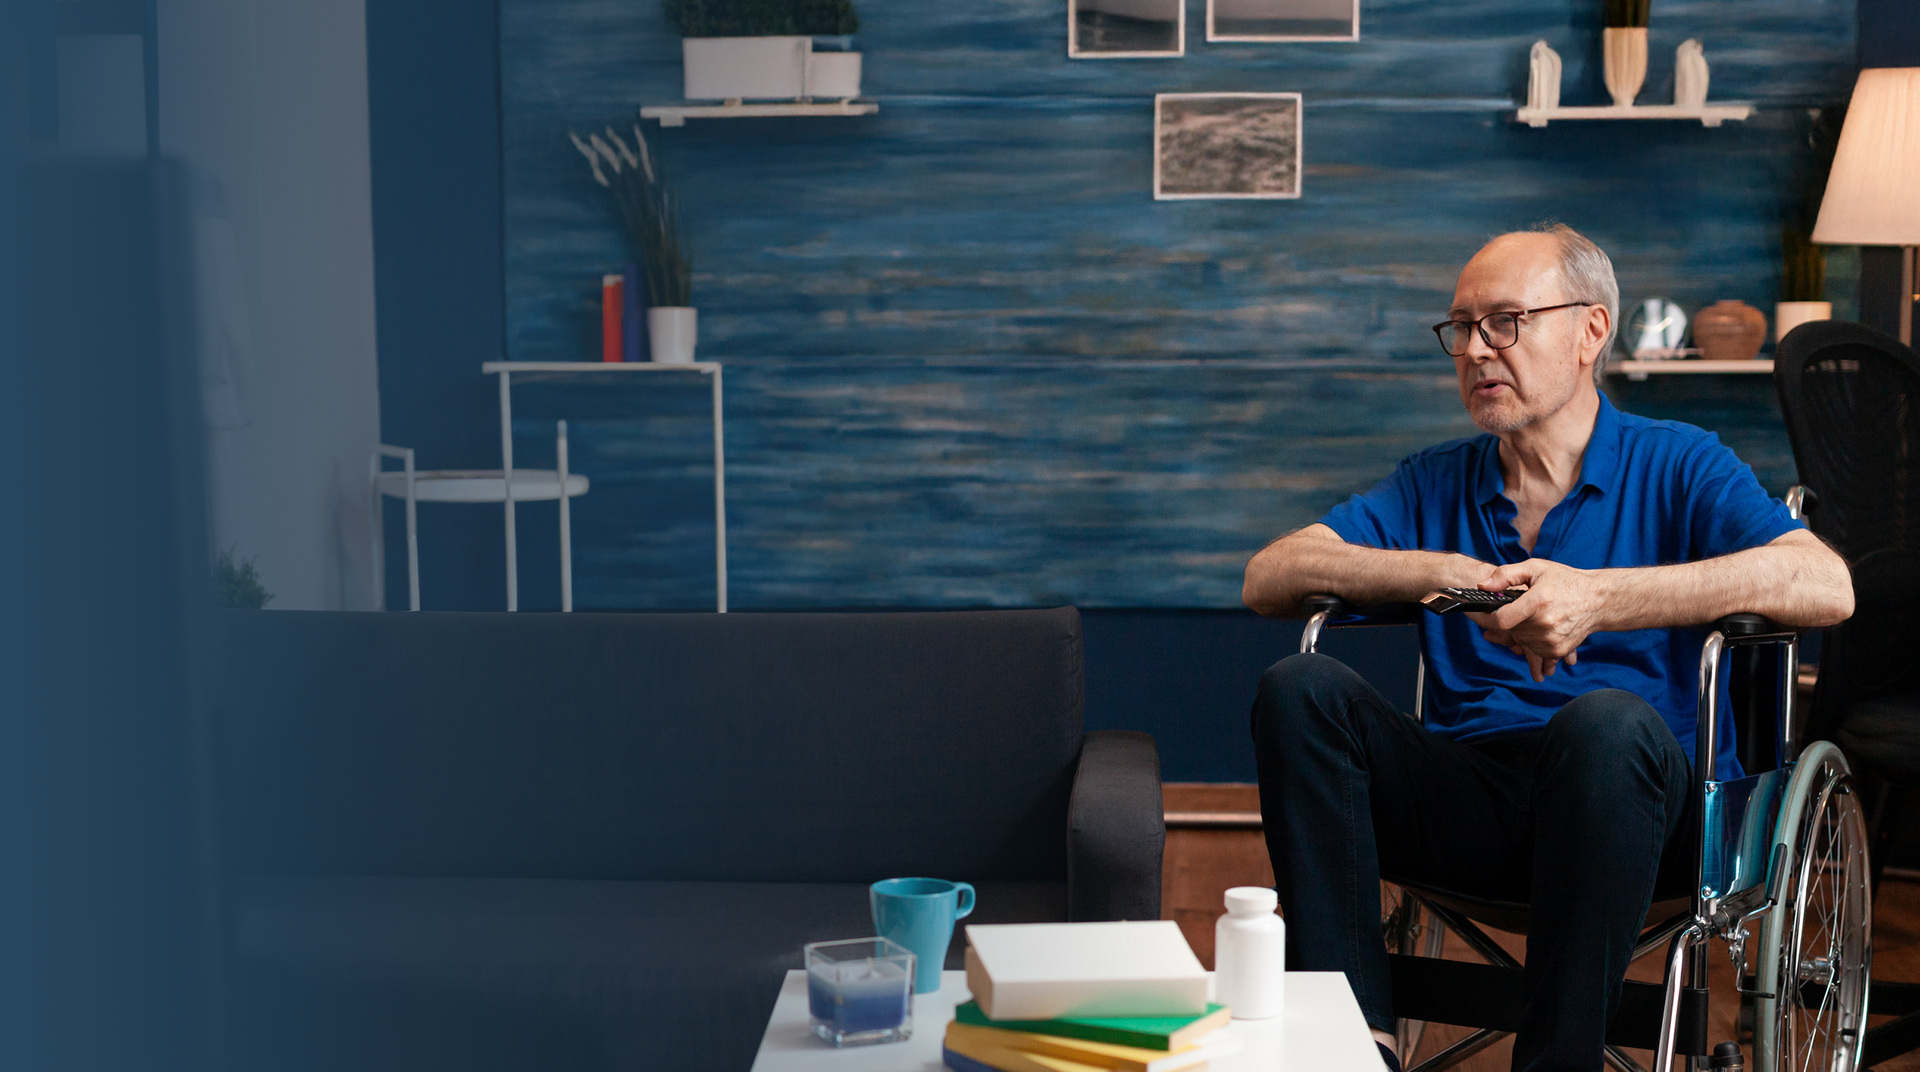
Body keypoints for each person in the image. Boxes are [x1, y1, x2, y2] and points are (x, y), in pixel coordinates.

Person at [1241, 224, 1853, 1072]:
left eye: (1505, 322)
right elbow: (1269, 573)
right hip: (1478, 795)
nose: (1475, 351)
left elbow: (1826, 583)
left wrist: (1600, 599)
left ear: (1590, 331)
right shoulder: (1435, 481)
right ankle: (1349, 1045)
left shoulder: (1679, 462)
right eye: (1462, 328)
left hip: (1642, 807)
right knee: (1298, 688)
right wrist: (1436, 573)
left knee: (1603, 723)